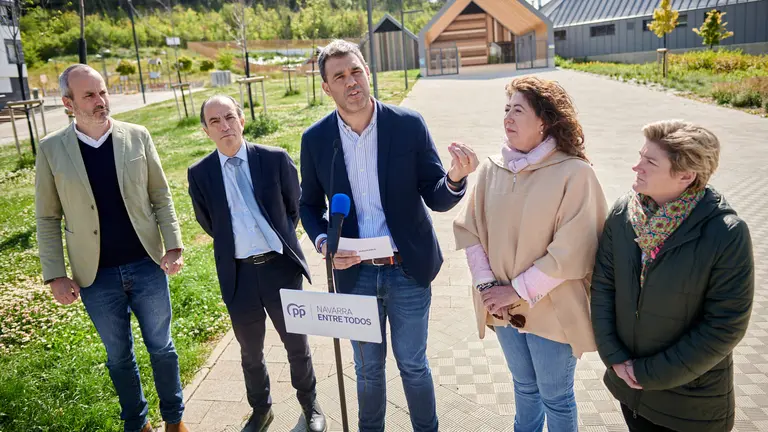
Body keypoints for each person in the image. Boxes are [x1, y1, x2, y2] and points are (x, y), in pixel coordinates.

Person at [298, 39, 478, 432]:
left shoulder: (407, 125)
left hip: (407, 269)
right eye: (340, 76)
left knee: (413, 364)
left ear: (367, 70)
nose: (352, 82)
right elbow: (308, 206)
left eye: (356, 71)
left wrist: (455, 179)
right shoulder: (315, 140)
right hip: (354, 274)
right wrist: (326, 244)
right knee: (367, 371)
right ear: (326, 88)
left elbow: (436, 194)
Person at [35, 64, 187, 432]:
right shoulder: (51, 149)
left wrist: (174, 245)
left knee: (162, 348)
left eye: (102, 92)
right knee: (119, 357)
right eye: (89, 95)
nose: (101, 100)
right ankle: (138, 423)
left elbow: (160, 197)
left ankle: (174, 419)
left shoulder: (137, 136)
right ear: (67, 103)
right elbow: (46, 218)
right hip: (95, 276)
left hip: (147, 264)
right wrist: (55, 274)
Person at [453, 76, 608, 432]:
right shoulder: (493, 168)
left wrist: (516, 290)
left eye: (518, 110)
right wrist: (488, 288)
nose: (507, 117)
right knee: (523, 388)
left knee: (556, 397)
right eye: (506, 109)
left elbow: (575, 248)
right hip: (502, 305)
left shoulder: (575, 173)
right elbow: (470, 228)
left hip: (552, 309)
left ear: (544, 121)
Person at [591, 120, 754, 432]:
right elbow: (602, 286)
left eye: (650, 161)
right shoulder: (624, 213)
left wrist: (647, 374)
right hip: (629, 389)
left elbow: (725, 325)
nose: (635, 166)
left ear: (686, 175)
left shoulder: (726, 233)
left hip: (690, 406)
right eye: (641, 155)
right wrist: (614, 357)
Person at [188, 95, 326, 432]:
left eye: (229, 117)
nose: (225, 126)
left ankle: (310, 404)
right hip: (239, 275)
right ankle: (261, 410)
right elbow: (209, 223)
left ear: (242, 120)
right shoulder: (200, 173)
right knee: (250, 352)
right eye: (215, 122)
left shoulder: (274, 159)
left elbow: (293, 208)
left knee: (297, 344)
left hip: (280, 268)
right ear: (206, 131)